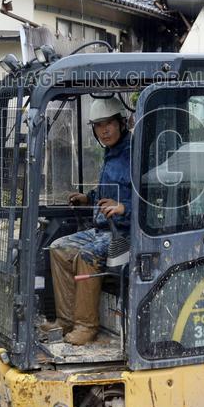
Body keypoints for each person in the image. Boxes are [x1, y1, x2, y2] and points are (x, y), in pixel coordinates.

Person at [41, 96, 132, 346]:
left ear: (121, 123)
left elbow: (153, 198)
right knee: (59, 249)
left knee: (87, 256)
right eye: (98, 125)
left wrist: (125, 207)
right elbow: (108, 193)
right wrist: (87, 198)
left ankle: (86, 326)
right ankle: (66, 320)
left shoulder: (135, 154)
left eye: (109, 124)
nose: (104, 130)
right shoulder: (111, 154)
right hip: (102, 228)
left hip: (126, 233)